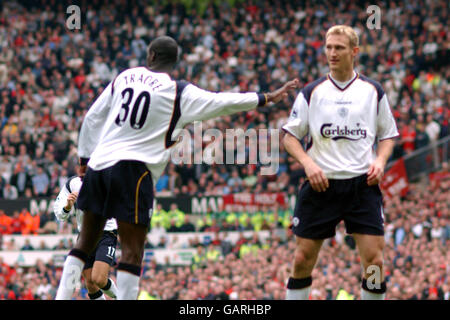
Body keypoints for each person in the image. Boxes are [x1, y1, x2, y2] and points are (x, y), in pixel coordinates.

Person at [55, 35, 298, 300]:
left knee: (82, 244)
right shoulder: (179, 92)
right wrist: (264, 98)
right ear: (176, 63)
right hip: (134, 171)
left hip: (99, 165)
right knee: (133, 251)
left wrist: (83, 161)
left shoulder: (125, 77)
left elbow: (92, 117)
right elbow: (222, 102)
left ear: (150, 56)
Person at [282, 25, 398, 300]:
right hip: (321, 185)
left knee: (375, 264)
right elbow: (289, 137)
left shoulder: (373, 91)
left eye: (339, 48)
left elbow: (389, 135)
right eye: (328, 47)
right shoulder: (312, 92)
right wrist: (308, 164)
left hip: (362, 185)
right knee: (302, 260)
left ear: (354, 51)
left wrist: (380, 162)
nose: (332, 53)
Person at [54, 168, 119, 300]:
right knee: (90, 283)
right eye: (81, 164)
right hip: (85, 235)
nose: (83, 168)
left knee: (99, 279)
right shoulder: (72, 183)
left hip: (106, 232)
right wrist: (67, 207)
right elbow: (59, 213)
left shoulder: (108, 180)